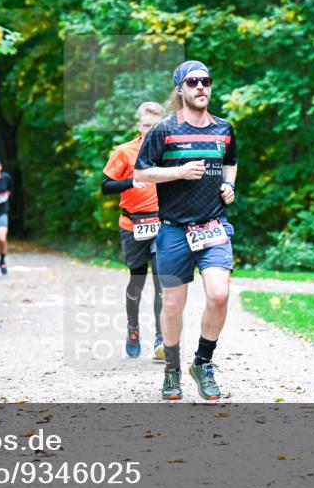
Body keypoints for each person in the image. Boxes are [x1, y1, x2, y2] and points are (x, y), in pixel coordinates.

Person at [134, 60, 237, 401]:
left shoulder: (224, 129)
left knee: (219, 295)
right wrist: (178, 173)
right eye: (192, 82)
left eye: (205, 81)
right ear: (180, 89)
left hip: (213, 226)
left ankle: (203, 364)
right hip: (174, 231)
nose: (200, 87)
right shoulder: (163, 130)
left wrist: (229, 187)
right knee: (173, 306)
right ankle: (172, 370)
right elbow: (141, 175)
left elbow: (230, 163)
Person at [101, 102, 166, 361]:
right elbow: (105, 185)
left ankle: (162, 338)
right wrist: (131, 181)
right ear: (140, 125)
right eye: (147, 126)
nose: (151, 131)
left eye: (156, 127)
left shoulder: (170, 151)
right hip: (132, 225)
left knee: (163, 282)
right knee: (137, 282)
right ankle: (133, 329)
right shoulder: (124, 151)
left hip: (162, 225)